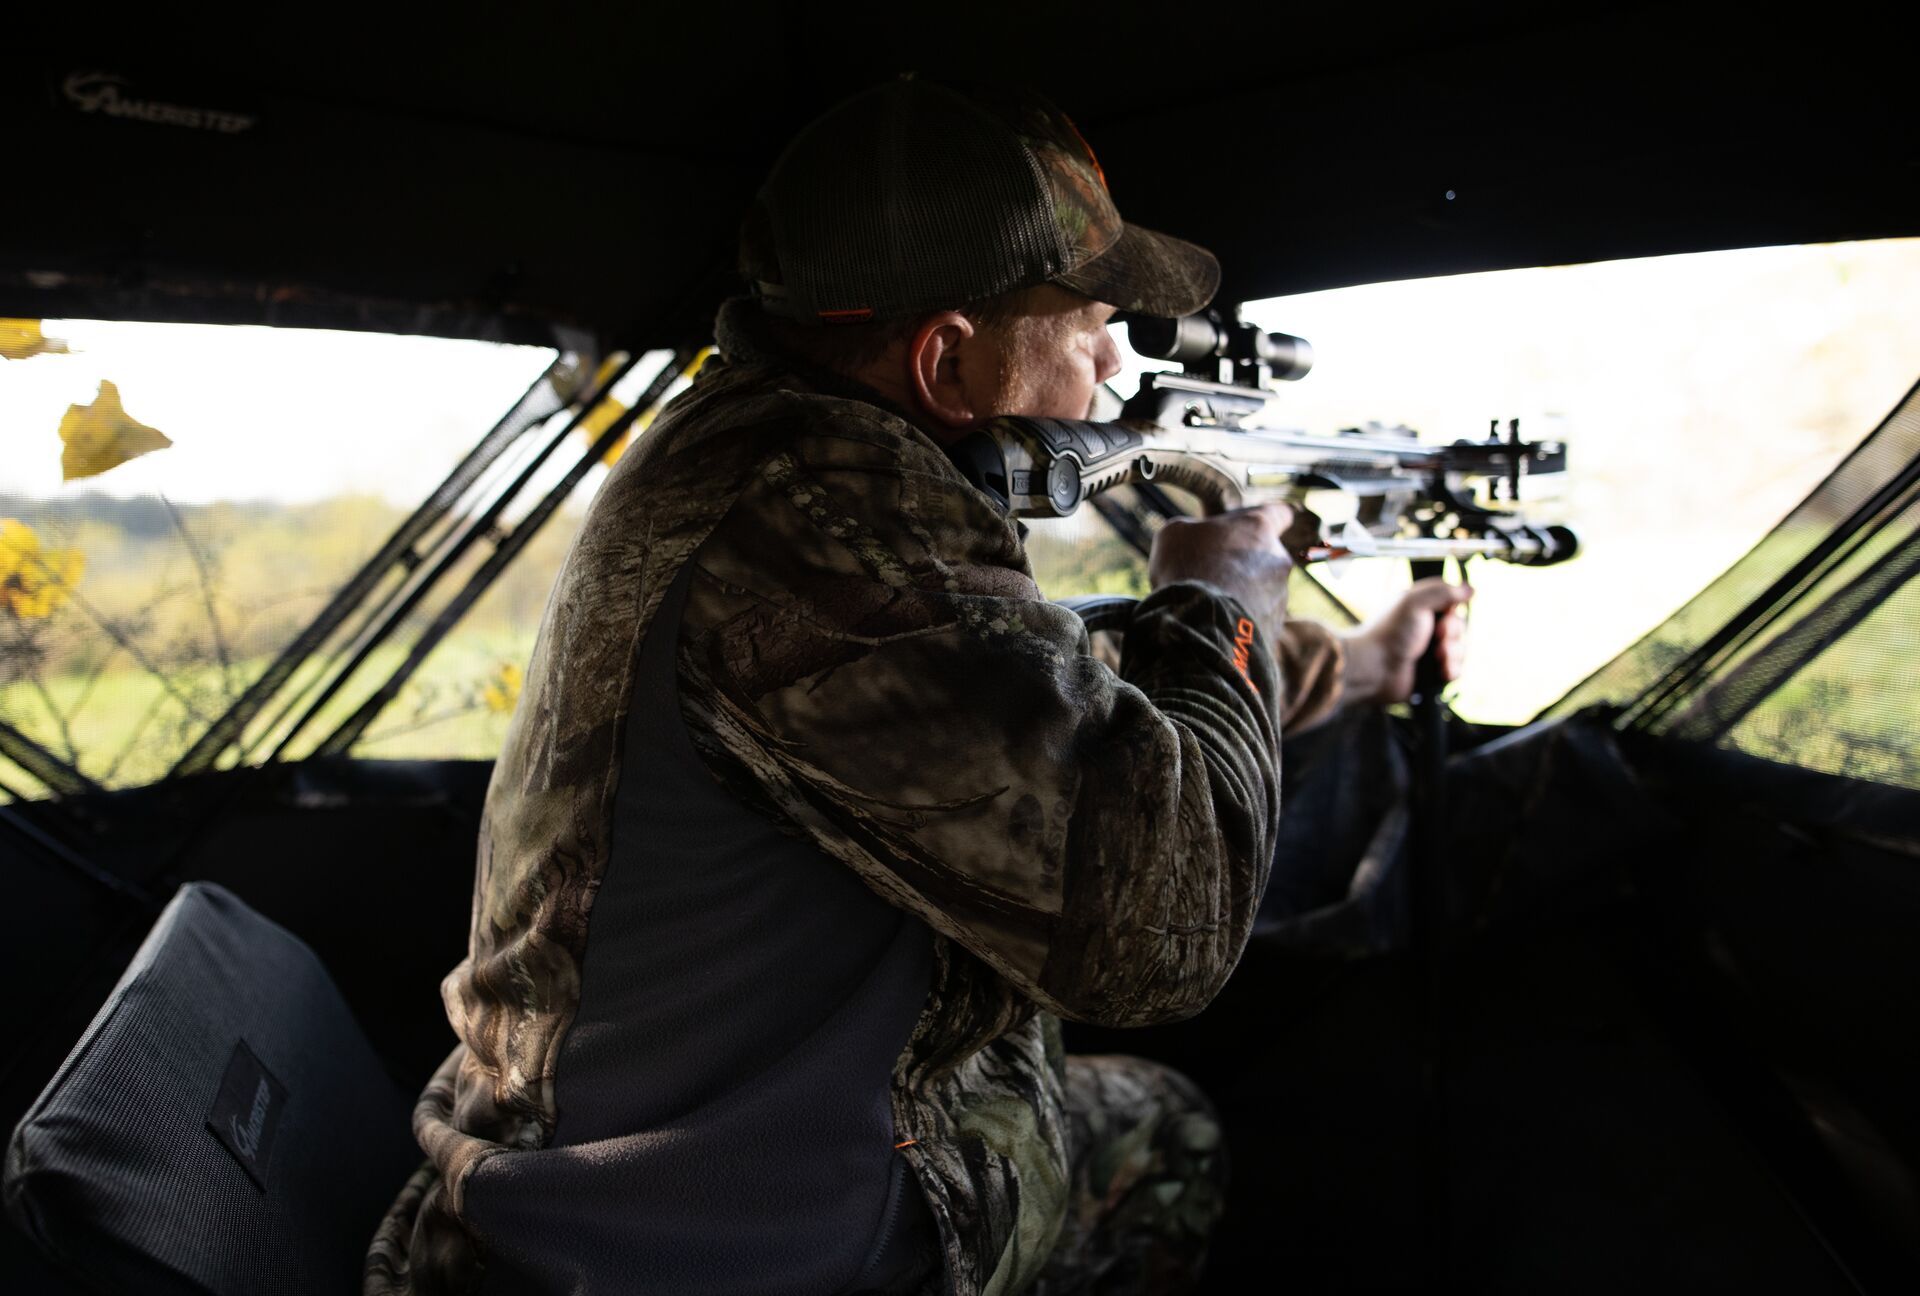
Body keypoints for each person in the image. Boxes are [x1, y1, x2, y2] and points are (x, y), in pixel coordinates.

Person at [364, 78, 1468, 1296]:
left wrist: (1353, 663)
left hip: (664, 1181)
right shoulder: (828, 523)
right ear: (947, 360)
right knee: (1171, 1128)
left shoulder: (767, 460)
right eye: (1092, 321)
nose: (1114, 364)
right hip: (690, 1249)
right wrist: (1223, 602)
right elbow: (1173, 931)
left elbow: (1033, 699)